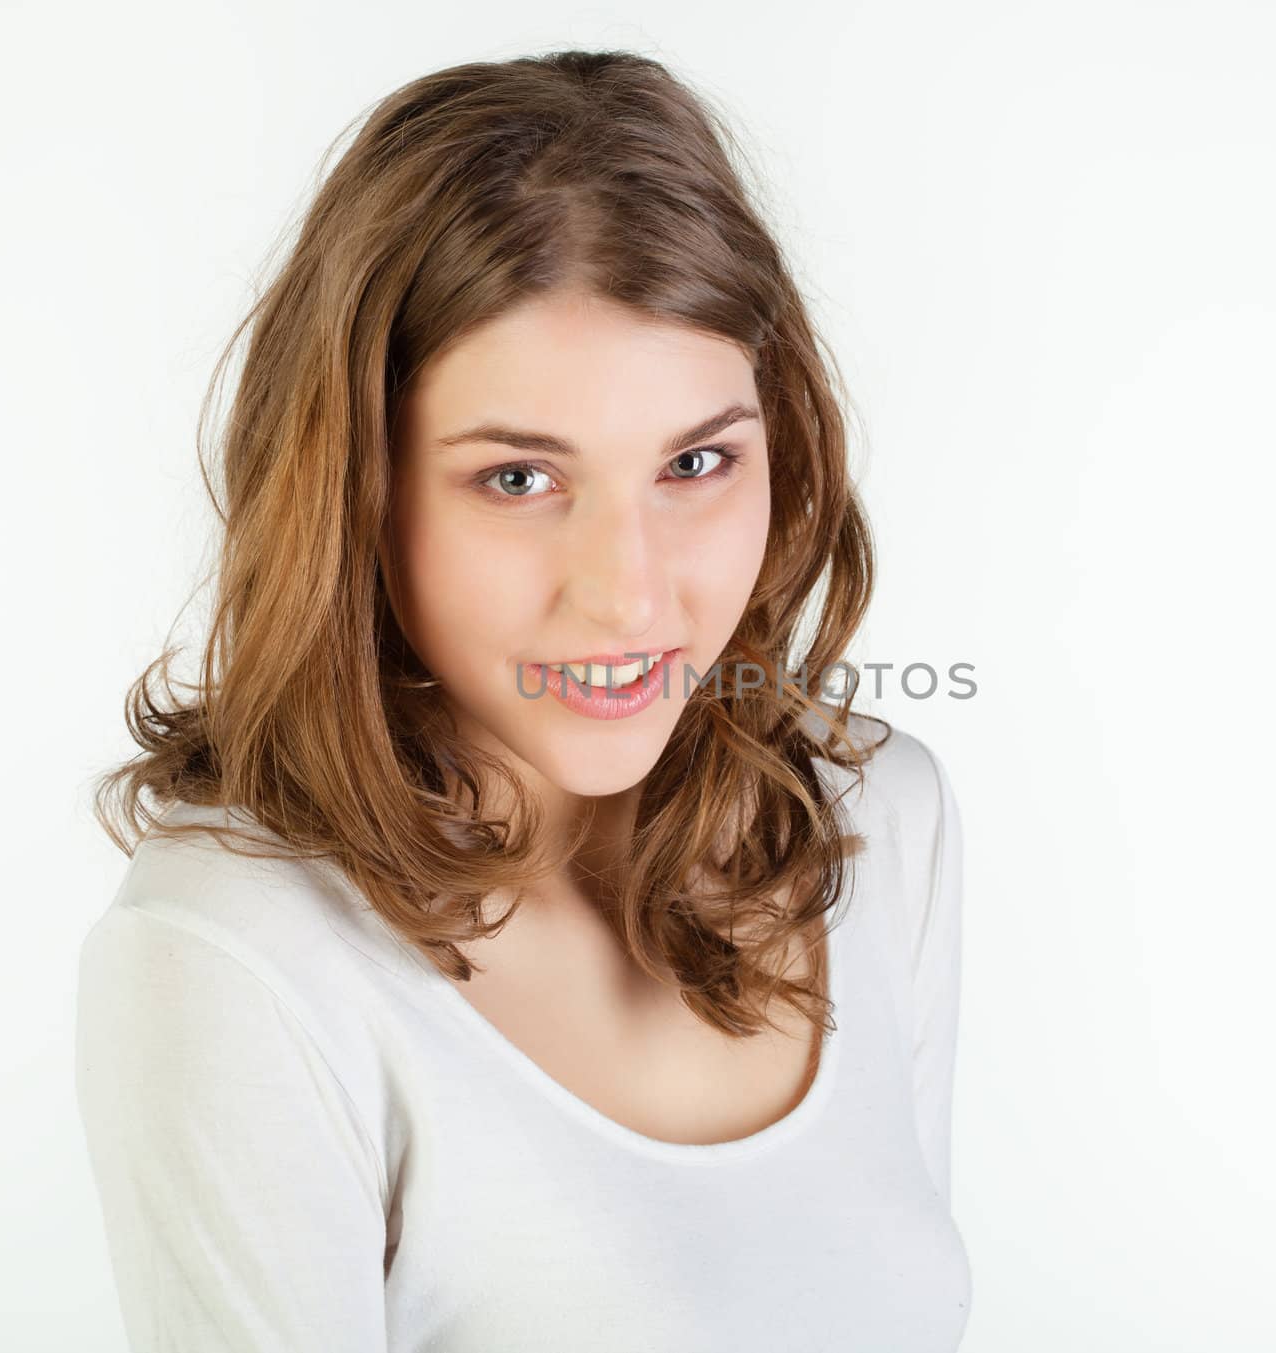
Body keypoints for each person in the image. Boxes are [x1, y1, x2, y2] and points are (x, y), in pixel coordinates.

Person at [75, 49, 971, 1352]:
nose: (627, 593)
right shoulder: (236, 953)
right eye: (518, 480)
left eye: (697, 461)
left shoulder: (884, 823)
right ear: (357, 487)